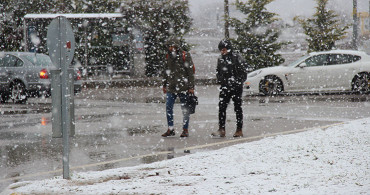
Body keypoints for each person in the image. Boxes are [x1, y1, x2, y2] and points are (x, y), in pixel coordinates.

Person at [211, 39, 248, 137]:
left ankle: (239, 129)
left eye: (224, 49)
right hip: (225, 87)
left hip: (236, 87)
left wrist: (237, 82)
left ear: (228, 48)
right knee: (222, 108)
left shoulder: (237, 58)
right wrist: (222, 81)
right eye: (221, 50)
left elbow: (243, 73)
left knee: (237, 108)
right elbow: (218, 71)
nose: (222, 52)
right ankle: (221, 129)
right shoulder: (221, 59)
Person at [161, 38, 195, 138]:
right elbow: (166, 71)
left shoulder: (185, 55)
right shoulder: (168, 56)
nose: (170, 48)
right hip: (171, 87)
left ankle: (185, 129)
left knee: (185, 109)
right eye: (169, 46)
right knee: (168, 107)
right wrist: (164, 84)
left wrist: (191, 87)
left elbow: (190, 73)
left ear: (177, 46)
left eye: (172, 46)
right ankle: (170, 129)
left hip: (183, 87)